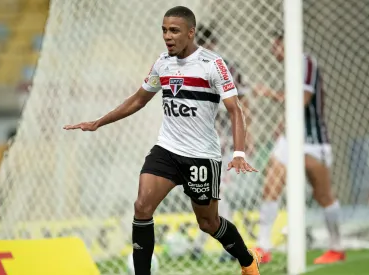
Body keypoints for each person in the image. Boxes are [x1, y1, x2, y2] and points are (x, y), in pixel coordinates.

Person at [64, 6, 262, 275]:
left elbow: (235, 109)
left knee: (208, 222)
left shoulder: (212, 65)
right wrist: (99, 121)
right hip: (167, 149)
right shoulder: (162, 63)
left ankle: (247, 261)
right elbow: (138, 100)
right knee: (142, 206)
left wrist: (239, 152)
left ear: (191, 33)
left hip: (201, 156)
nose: (167, 36)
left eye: (174, 31)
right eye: (164, 30)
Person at [253, 31, 345, 265]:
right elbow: (295, 108)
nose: (274, 52)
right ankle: (263, 245)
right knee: (271, 181)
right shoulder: (292, 68)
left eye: (277, 46)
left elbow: (301, 100)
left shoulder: (307, 63)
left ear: (288, 44)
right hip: (290, 136)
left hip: (313, 140)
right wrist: (282, 125)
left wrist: (269, 94)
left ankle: (336, 246)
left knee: (322, 194)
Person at [190, 24, 251, 263]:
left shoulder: (227, 68)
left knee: (219, 193)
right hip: (198, 144)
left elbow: (243, 106)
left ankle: (219, 247)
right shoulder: (185, 69)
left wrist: (246, 140)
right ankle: (199, 244)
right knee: (202, 194)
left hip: (223, 144)